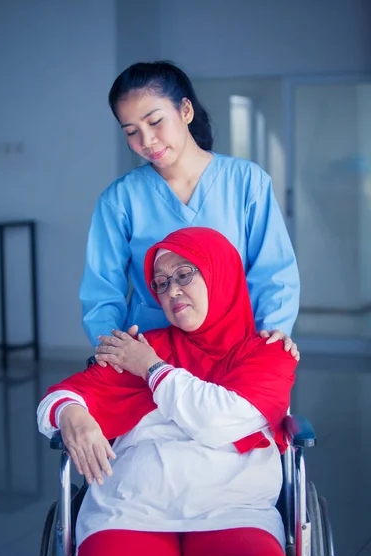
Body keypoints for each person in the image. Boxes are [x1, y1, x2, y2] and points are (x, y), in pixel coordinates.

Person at [38, 227, 297, 556]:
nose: (171, 290)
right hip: (131, 512)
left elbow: (215, 420)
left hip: (231, 513)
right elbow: (60, 397)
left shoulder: (267, 353)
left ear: (219, 271)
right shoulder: (141, 347)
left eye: (184, 275)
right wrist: (70, 415)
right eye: (160, 282)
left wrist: (153, 370)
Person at [79, 61, 300, 368]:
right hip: (148, 354)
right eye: (132, 131)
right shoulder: (120, 200)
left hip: (233, 352)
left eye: (155, 121)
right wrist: (113, 347)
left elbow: (273, 272)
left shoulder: (246, 182)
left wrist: (272, 336)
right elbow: (102, 288)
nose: (147, 141)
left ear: (185, 111)